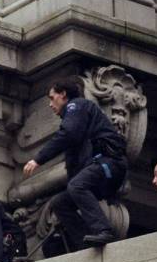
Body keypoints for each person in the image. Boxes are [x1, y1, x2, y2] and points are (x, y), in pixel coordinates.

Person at [23, 76, 128, 250]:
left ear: (63, 95)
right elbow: (74, 164)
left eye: (52, 97)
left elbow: (69, 134)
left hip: (108, 163)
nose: (50, 104)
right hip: (100, 168)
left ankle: (104, 230)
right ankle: (83, 245)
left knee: (76, 186)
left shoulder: (76, 105)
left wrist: (38, 159)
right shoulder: (77, 117)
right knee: (60, 202)